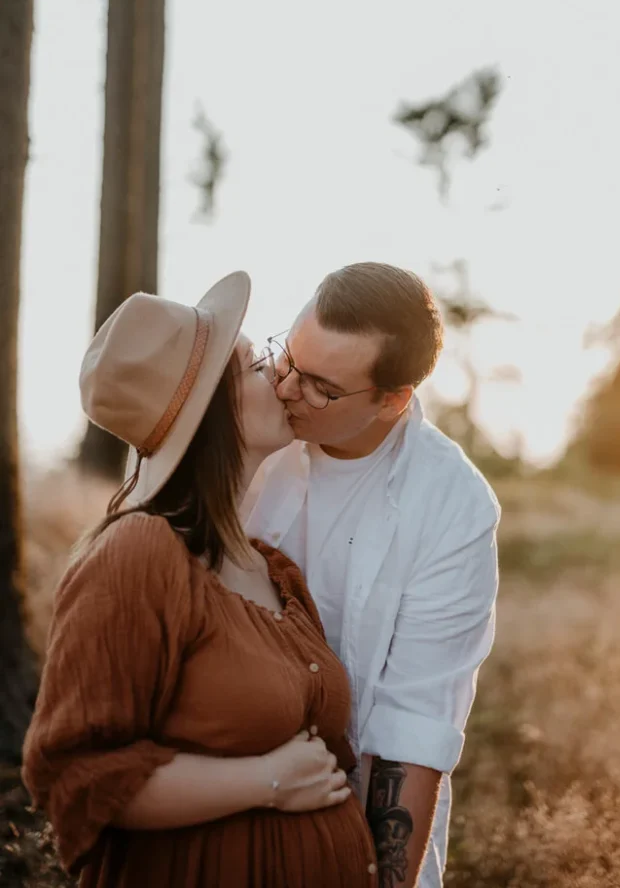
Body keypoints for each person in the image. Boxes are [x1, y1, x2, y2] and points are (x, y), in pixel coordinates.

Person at [22, 271, 378, 888]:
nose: (280, 374)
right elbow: (75, 775)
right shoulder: (139, 554)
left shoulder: (273, 568)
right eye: (253, 366)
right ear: (208, 411)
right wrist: (263, 781)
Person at [242, 262, 501, 888]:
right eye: (288, 360)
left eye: (322, 389)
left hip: (349, 816)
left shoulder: (452, 504)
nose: (285, 390)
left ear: (393, 398)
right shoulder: (244, 429)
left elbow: (414, 725)